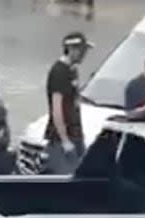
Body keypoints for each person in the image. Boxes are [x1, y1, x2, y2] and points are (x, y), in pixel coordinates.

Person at [44, 31, 93, 174]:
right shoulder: (59, 71)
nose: (84, 55)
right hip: (61, 138)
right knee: (64, 176)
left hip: (76, 133)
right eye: (81, 50)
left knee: (82, 174)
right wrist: (65, 140)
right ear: (70, 49)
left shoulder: (73, 70)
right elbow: (57, 108)